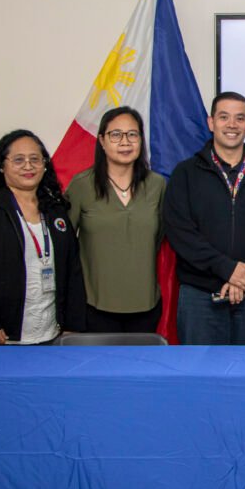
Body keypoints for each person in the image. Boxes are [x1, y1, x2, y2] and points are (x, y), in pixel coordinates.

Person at [163, 91, 245, 345]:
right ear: (211, 122)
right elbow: (180, 232)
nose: (232, 125)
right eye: (224, 117)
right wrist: (228, 270)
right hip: (200, 294)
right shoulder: (185, 173)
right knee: (200, 376)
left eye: (240, 118)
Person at [0, 130, 86, 345]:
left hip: (47, 335)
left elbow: (73, 269)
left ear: (44, 165)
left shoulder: (55, 211)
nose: (28, 166)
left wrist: (72, 324)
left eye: (35, 159)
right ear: (2, 165)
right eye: (18, 160)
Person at [66, 107, 166, 334]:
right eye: (116, 135)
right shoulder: (82, 185)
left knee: (140, 369)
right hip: (94, 307)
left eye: (133, 134)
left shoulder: (157, 185)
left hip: (145, 306)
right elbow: (65, 245)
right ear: (101, 140)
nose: (125, 142)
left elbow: (159, 237)